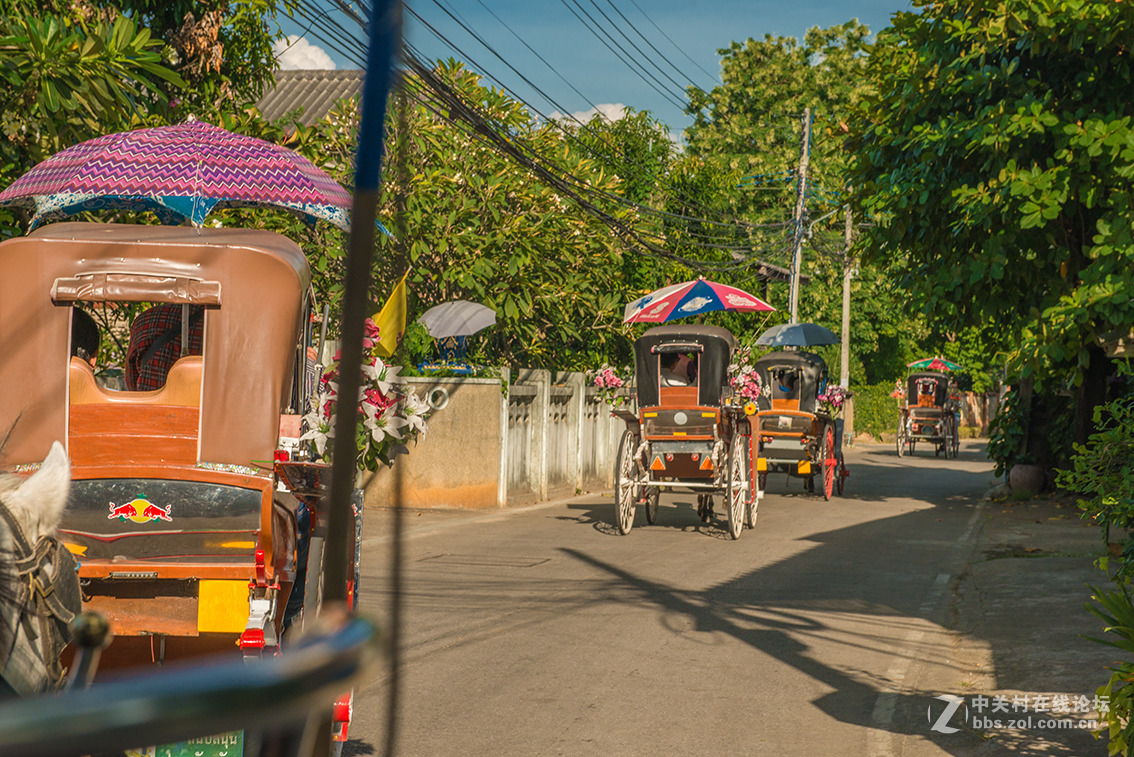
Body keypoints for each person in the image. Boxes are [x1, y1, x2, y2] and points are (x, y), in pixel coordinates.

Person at [125, 304, 204, 391]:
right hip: (202, 401)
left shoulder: (146, 319)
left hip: (151, 401)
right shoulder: (215, 320)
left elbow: (131, 380)